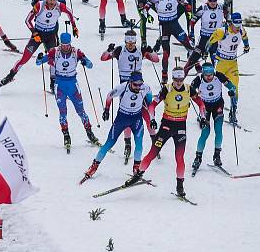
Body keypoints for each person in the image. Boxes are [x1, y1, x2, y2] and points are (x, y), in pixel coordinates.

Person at [125, 67, 202, 198]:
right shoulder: (167, 89)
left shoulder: (189, 89)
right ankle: (137, 175)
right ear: (172, 79)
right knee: (153, 153)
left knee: (179, 158)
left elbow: (201, 104)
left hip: (180, 126)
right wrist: (152, 119)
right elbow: (152, 105)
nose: (178, 82)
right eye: (176, 79)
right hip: (167, 125)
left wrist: (203, 117)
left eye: (181, 79)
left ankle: (180, 186)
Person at [0, 0, 76, 89]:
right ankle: (10, 76)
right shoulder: (40, 5)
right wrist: (34, 33)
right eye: (50, 0)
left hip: (51, 35)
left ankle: (53, 83)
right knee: (25, 58)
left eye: (54, 0)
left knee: (53, 59)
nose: (52, 2)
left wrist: (74, 27)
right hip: (38, 34)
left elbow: (70, 14)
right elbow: (27, 20)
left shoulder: (60, 6)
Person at [100, 30, 159, 159]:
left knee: (146, 115)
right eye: (128, 43)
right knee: (127, 115)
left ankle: (155, 143)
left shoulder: (139, 50)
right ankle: (128, 143)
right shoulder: (120, 50)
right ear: (125, 41)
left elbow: (156, 60)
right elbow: (103, 58)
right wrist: (109, 50)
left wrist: (151, 50)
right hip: (125, 88)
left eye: (132, 42)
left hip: (139, 86)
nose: (130, 45)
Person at [84, 71, 153, 180]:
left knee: (139, 144)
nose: (138, 87)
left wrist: (149, 106)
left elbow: (149, 97)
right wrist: (107, 110)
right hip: (122, 118)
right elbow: (109, 95)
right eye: (135, 84)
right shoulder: (122, 87)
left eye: (140, 84)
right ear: (130, 82)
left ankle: (136, 168)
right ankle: (94, 166)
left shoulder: (145, 87)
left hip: (136, 118)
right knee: (109, 143)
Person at [36, 33, 98, 149]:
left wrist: (85, 62)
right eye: (63, 45)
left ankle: (90, 133)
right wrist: (40, 59)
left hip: (72, 84)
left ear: (70, 43)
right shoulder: (55, 51)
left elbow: (90, 65)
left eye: (67, 45)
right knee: (63, 113)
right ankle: (66, 135)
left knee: (81, 111)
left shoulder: (76, 52)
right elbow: (39, 62)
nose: (65, 47)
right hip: (59, 85)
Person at [142, 0, 194, 83]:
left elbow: (186, 3)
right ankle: (164, 75)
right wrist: (147, 15)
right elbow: (145, 7)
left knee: (188, 45)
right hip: (164, 26)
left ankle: (195, 65)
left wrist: (188, 8)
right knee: (166, 52)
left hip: (174, 24)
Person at [205, 12, 249, 125]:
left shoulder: (241, 30)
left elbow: (245, 37)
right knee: (214, 87)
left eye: (239, 26)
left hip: (233, 64)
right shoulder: (222, 31)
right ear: (230, 23)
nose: (237, 29)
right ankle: (205, 111)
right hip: (220, 63)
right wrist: (205, 52)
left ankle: (233, 113)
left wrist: (247, 46)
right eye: (235, 26)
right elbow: (209, 42)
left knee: (234, 88)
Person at [191, 62, 235, 171]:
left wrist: (231, 91)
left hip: (217, 105)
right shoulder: (198, 80)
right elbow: (189, 91)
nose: (209, 77)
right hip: (204, 106)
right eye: (206, 75)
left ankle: (217, 156)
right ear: (203, 73)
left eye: (211, 74)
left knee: (218, 130)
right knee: (205, 132)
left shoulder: (218, 76)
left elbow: (231, 86)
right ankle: (198, 157)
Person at [183, 0, 226, 73]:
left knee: (216, 62)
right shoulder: (203, 8)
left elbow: (229, 19)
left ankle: (215, 79)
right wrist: (191, 33)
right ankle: (180, 78)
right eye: (210, 0)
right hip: (204, 38)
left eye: (215, 0)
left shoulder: (221, 8)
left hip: (217, 39)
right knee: (192, 60)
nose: (213, 2)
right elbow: (192, 21)